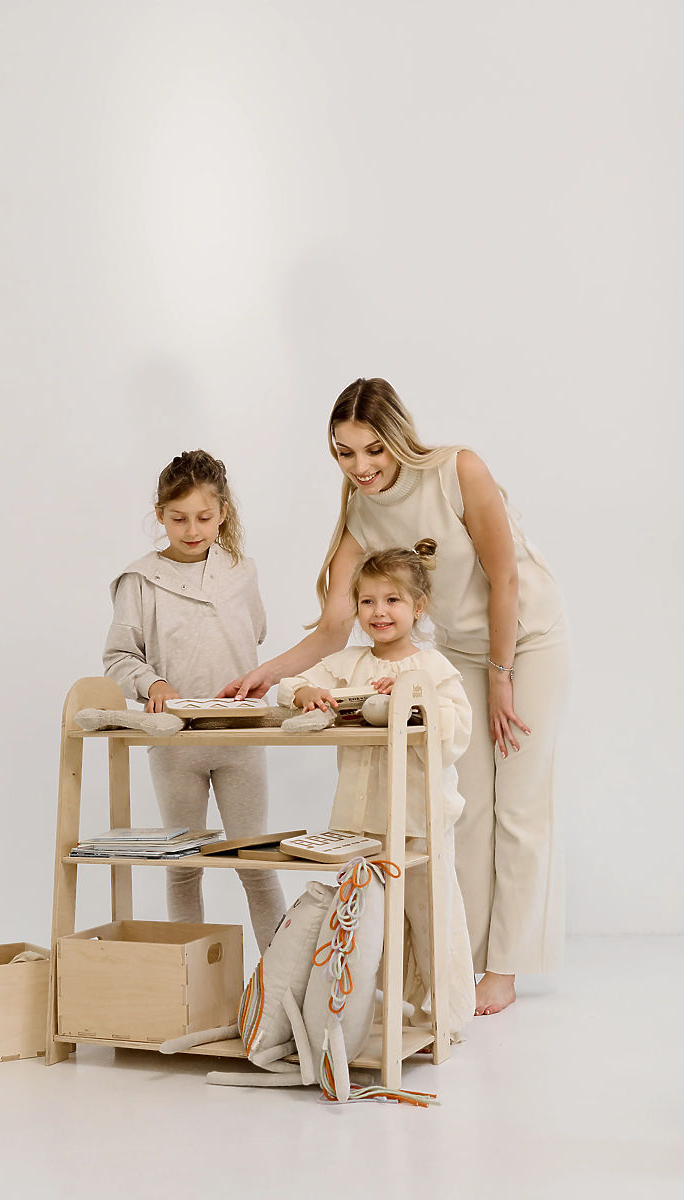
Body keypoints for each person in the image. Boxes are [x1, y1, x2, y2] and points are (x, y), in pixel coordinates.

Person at [222, 378, 569, 1014]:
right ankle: (464, 959)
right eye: (345, 452)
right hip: (457, 650)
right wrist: (265, 674)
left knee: (519, 805)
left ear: (398, 437)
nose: (361, 466)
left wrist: (502, 676)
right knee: (464, 808)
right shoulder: (361, 512)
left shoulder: (458, 470)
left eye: (373, 449)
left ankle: (507, 967)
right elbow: (333, 628)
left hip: (527, 639)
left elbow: (505, 576)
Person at [278, 542, 475, 1037]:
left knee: (430, 916)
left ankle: (447, 1018)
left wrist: (412, 696)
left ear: (418, 607)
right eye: (367, 601)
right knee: (365, 920)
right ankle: (365, 1016)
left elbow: (456, 731)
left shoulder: (432, 668)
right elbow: (290, 685)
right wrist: (306, 692)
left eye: (392, 600)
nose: (379, 612)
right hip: (361, 823)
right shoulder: (349, 662)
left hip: (418, 819)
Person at [103, 449, 286, 952]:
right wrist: (153, 684)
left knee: (257, 864)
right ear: (160, 514)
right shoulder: (139, 580)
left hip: (239, 739)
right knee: (182, 866)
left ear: (222, 512)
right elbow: (118, 656)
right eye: (178, 517)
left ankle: (282, 980)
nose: (191, 529)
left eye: (204, 517)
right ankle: (191, 984)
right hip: (175, 744)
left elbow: (256, 632)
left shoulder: (242, 571)